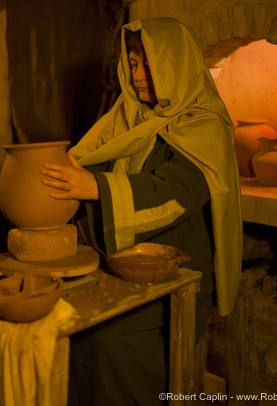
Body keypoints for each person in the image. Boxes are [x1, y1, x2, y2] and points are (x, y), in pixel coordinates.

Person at [40, 17, 242, 405]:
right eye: (133, 63)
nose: (140, 75)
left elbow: (177, 193)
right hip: (120, 265)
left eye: (150, 63)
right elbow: (94, 162)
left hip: (174, 275)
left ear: (176, 64)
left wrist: (95, 188)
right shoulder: (128, 116)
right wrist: (65, 175)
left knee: (108, 342)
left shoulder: (204, 124)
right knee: (70, 326)